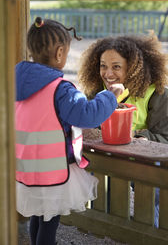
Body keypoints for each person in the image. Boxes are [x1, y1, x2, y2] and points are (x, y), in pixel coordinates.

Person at [15, 17, 124, 245]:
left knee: (39, 213)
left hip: (25, 167)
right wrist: (110, 96)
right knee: (50, 220)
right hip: (52, 172)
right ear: (59, 53)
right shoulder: (61, 89)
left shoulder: (14, 82)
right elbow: (87, 115)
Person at [78, 32, 168, 227]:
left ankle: (150, 227)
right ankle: (108, 226)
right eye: (103, 66)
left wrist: (139, 138)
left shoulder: (159, 95)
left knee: (151, 191)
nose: (108, 74)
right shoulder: (95, 92)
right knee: (98, 187)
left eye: (116, 67)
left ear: (133, 69)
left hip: (142, 162)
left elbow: (167, 137)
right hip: (106, 161)